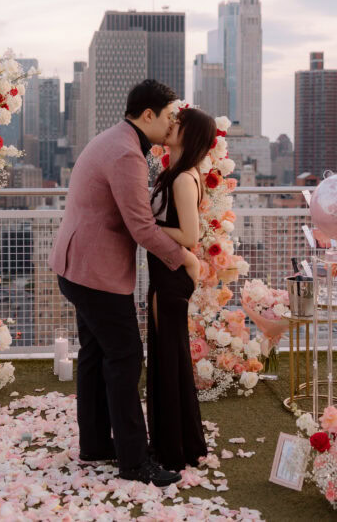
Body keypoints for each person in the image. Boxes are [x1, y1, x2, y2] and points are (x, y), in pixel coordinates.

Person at [48, 80, 200, 487]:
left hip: (77, 266)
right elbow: (141, 227)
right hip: (94, 273)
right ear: (147, 115)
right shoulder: (126, 154)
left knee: (98, 354)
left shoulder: (117, 140)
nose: (172, 125)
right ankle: (134, 462)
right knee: (126, 357)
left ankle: (96, 444)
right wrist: (185, 257)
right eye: (169, 116)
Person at [146, 106, 216, 472]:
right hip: (167, 272)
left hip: (171, 275)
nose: (171, 125)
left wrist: (146, 227)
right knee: (166, 357)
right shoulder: (176, 173)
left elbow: (190, 235)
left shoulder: (183, 179)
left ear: (191, 136)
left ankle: (174, 449)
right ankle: (178, 443)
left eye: (180, 124)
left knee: (168, 359)